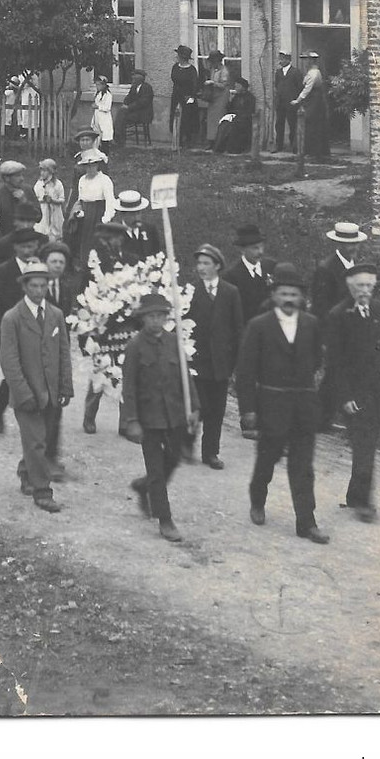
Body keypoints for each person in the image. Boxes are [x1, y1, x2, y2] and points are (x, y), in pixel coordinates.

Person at [236, 262, 329, 544]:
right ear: (274, 295)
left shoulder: (311, 324)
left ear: (301, 298)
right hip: (271, 405)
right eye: (283, 293)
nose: (289, 299)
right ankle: (257, 499)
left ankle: (306, 522)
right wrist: (249, 410)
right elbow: (245, 371)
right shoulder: (258, 326)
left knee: (303, 466)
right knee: (267, 458)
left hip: (302, 406)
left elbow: (315, 361)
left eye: (294, 294)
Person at [324, 264, 380, 522]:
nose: (365, 291)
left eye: (370, 285)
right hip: (354, 394)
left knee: (367, 443)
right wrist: (344, 397)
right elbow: (335, 363)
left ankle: (355, 495)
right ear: (350, 286)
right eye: (360, 286)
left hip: (378, 391)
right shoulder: (339, 315)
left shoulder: (379, 310)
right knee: (364, 444)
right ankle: (365, 502)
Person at [122, 294, 199, 543]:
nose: (156, 321)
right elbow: (129, 387)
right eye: (151, 316)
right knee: (156, 469)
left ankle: (144, 487)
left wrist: (194, 408)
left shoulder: (173, 341)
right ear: (143, 318)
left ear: (166, 317)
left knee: (173, 460)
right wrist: (131, 420)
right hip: (149, 417)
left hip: (174, 413)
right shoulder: (134, 346)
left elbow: (186, 378)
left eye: (160, 316)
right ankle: (165, 519)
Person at [0, 262, 74, 512]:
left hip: (51, 392)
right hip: (27, 394)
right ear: (24, 286)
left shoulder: (56, 315)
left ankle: (25, 472)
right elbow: (9, 361)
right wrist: (23, 393)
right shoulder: (12, 318)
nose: (39, 291)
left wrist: (65, 387)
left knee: (40, 440)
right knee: (36, 443)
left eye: (43, 286)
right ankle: (43, 491)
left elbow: (63, 352)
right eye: (33, 286)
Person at [185, 243, 243, 469]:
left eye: (206, 263)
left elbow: (237, 329)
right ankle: (186, 444)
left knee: (217, 410)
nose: (201, 268)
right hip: (196, 361)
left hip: (220, 362)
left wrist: (234, 363)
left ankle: (211, 452)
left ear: (217, 266)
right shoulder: (191, 291)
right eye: (199, 263)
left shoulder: (231, 292)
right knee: (197, 406)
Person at [311, 221, 369, 430]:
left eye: (355, 244)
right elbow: (321, 306)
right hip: (334, 331)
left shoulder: (356, 267)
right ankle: (326, 418)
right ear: (338, 244)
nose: (353, 248)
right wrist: (326, 338)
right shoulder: (327, 269)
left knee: (337, 373)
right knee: (336, 372)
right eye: (348, 244)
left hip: (352, 330)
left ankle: (323, 418)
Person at [0, 228, 42, 434]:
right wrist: (1, 333)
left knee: (32, 371)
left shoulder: (39, 268)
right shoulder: (4, 270)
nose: (28, 251)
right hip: (10, 333)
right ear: (15, 248)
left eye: (32, 246)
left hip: (35, 331)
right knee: (14, 372)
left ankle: (33, 411)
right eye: (24, 247)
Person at [67, 149, 116, 270]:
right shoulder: (82, 180)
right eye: (87, 166)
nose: (90, 168)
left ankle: (101, 268)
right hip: (85, 215)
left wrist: (106, 218)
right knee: (84, 241)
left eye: (92, 165)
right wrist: (79, 211)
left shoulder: (105, 180)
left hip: (99, 213)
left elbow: (110, 201)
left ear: (98, 165)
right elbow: (80, 198)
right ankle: (85, 267)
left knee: (99, 243)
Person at [223, 224, 278, 324]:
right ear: (242, 250)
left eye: (262, 247)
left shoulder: (271, 267)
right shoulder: (232, 277)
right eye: (255, 248)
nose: (260, 252)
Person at [292, 52, 330, 159]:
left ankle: (314, 151)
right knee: (308, 123)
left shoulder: (314, 73)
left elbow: (307, 89)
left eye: (307, 60)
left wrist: (298, 100)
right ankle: (307, 149)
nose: (305, 63)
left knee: (311, 123)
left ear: (312, 61)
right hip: (311, 100)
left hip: (314, 100)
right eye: (304, 60)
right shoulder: (310, 72)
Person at [114, 190, 162, 265]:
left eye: (138, 213)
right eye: (132, 214)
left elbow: (158, 257)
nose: (137, 218)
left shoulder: (150, 230)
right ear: (122, 215)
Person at [0, 160, 39, 236]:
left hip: (28, 239)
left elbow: (38, 217)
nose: (22, 178)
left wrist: (25, 202)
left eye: (22, 175)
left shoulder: (28, 191)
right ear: (6, 178)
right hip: (8, 241)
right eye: (18, 176)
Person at [212, 77, 255, 154]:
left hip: (244, 119)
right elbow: (229, 108)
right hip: (234, 116)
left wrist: (238, 115)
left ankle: (234, 149)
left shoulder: (250, 97)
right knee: (224, 124)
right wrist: (230, 100)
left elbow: (250, 110)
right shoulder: (236, 96)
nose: (235, 88)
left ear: (242, 87)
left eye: (237, 86)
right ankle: (218, 148)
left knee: (234, 126)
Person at [169, 45, 201, 148]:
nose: (177, 57)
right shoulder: (175, 67)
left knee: (188, 117)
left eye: (178, 55)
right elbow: (174, 79)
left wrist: (191, 97)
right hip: (176, 95)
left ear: (182, 57)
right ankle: (177, 138)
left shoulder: (192, 70)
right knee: (175, 115)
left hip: (188, 96)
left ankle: (187, 140)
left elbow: (194, 85)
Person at [113, 69, 154, 146]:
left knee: (122, 117)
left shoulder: (147, 88)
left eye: (134, 78)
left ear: (140, 79)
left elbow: (142, 102)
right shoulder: (134, 87)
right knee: (121, 113)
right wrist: (125, 104)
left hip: (144, 114)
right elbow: (128, 97)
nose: (133, 79)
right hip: (135, 113)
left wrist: (128, 107)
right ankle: (119, 137)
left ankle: (118, 137)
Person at [273, 50, 303, 152]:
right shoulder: (278, 72)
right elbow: (277, 86)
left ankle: (294, 146)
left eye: (283, 59)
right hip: (280, 103)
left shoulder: (295, 72)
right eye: (280, 59)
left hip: (291, 103)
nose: (281, 61)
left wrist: (296, 100)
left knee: (292, 124)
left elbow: (299, 87)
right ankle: (278, 146)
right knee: (279, 124)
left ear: (289, 60)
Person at [202, 49, 231, 148]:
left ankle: (218, 142)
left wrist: (213, 83)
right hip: (214, 97)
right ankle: (211, 140)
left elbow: (224, 85)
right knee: (211, 119)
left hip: (222, 97)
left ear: (218, 61)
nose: (212, 63)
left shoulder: (224, 71)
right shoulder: (213, 70)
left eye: (213, 61)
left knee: (219, 118)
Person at [34, 159, 65, 241]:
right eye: (41, 171)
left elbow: (62, 199)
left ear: (51, 172)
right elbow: (34, 198)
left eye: (45, 171)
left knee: (56, 234)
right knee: (41, 232)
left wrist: (52, 200)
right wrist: (42, 200)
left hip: (55, 212)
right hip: (42, 211)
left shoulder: (57, 184)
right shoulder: (39, 184)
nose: (42, 173)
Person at [91, 76, 114, 156]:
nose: (97, 87)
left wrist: (98, 107)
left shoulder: (108, 95)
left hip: (104, 118)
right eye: (96, 85)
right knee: (96, 135)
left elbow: (107, 108)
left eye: (99, 85)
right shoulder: (98, 93)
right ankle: (96, 152)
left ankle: (105, 154)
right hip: (97, 116)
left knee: (105, 136)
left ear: (104, 85)